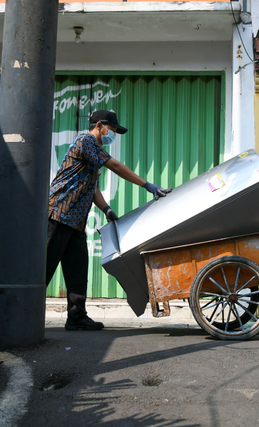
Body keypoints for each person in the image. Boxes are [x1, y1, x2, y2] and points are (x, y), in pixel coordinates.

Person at [46, 110, 172, 331]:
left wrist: (107, 209)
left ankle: (76, 318)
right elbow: (115, 166)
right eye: (112, 130)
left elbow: (92, 188)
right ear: (100, 126)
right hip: (59, 213)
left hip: (75, 221)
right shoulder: (86, 141)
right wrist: (147, 185)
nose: (113, 134)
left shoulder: (94, 152)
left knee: (77, 270)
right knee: (43, 266)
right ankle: (22, 313)